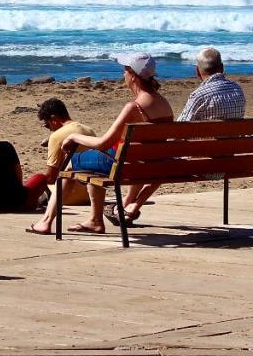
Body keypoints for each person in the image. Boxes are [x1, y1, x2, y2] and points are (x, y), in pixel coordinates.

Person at [110, 47, 246, 226]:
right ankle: (130, 205)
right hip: (229, 163)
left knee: (162, 157)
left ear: (197, 71)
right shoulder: (238, 91)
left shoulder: (199, 95)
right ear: (222, 68)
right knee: (166, 157)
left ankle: (130, 205)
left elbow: (175, 132)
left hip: (201, 166)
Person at [58, 53, 174, 234]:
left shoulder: (134, 107)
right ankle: (114, 210)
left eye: (125, 71)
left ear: (133, 75)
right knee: (101, 158)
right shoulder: (164, 103)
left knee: (75, 162)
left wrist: (74, 137)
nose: (123, 76)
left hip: (123, 166)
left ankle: (90, 220)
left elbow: (103, 143)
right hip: (148, 166)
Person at [25, 99, 96, 234]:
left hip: (70, 195)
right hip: (89, 193)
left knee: (39, 179)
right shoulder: (88, 129)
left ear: (54, 119)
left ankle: (46, 220)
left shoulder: (57, 136)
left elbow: (51, 178)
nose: (49, 129)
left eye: (47, 125)